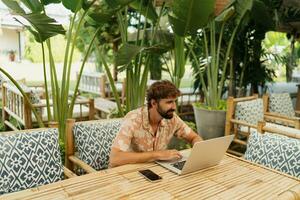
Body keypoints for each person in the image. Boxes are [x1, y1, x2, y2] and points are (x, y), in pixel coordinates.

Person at [109, 80, 202, 167]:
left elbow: (194, 137)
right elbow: (115, 158)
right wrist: (157, 155)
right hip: (128, 173)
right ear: (154, 103)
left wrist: (200, 151)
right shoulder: (133, 119)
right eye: (169, 102)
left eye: (175, 101)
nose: (174, 107)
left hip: (156, 170)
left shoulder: (172, 118)